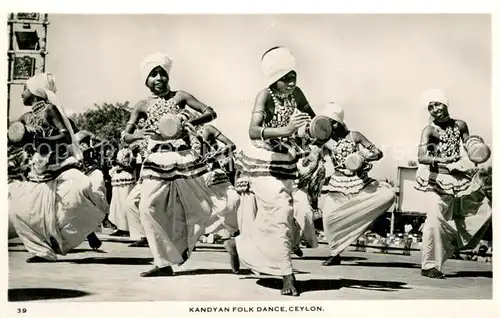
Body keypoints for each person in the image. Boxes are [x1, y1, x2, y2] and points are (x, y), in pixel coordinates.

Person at [122, 52, 226, 277]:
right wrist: (140, 133)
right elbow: (125, 137)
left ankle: (226, 235)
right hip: (156, 160)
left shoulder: (181, 96)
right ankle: (163, 262)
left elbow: (210, 113)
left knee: (202, 206)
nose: (159, 78)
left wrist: (188, 120)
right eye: (153, 74)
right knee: (147, 208)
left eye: (162, 73)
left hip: (184, 158)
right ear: (146, 80)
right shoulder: (141, 106)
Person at [225, 46, 316, 297]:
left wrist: (312, 134)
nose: (291, 82)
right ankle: (288, 274)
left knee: (282, 216)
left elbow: (314, 122)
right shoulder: (264, 95)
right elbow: (253, 131)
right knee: (281, 208)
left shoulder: (297, 93)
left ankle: (245, 246)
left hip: (286, 162)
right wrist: (287, 129)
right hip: (261, 161)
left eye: (293, 76)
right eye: (285, 77)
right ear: (273, 77)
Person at [8, 73, 106, 262]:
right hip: (38, 171)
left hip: (59, 166)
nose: (22, 94)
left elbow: (65, 137)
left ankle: (71, 237)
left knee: (76, 194)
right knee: (25, 210)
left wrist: (37, 139)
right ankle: (41, 250)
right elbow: (14, 138)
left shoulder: (49, 111)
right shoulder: (25, 117)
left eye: (25, 89)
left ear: (36, 91)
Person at [415, 89, 492, 279]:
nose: (435, 109)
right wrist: (444, 160)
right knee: (434, 219)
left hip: (458, 180)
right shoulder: (429, 130)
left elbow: (469, 146)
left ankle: (447, 250)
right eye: (430, 107)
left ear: (446, 104)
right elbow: (422, 157)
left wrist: (476, 147)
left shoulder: (460, 125)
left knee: (481, 209)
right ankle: (429, 265)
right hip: (435, 180)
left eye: (437, 104)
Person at [318, 102, 396, 266]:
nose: (328, 126)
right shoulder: (325, 140)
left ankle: (368, 222)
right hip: (337, 184)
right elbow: (313, 153)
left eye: (330, 122)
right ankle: (335, 252)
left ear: (337, 122)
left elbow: (378, 153)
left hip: (358, 182)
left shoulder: (355, 136)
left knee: (388, 195)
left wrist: (362, 156)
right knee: (328, 218)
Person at [193, 124, 240, 241]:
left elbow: (231, 145)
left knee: (234, 199)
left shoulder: (207, 129)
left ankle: (233, 230)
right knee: (200, 209)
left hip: (216, 175)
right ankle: (194, 236)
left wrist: (216, 155)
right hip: (197, 178)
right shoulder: (178, 134)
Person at [108, 147, 137, 237]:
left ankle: (127, 228)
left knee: (125, 203)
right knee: (117, 204)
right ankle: (120, 227)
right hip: (118, 178)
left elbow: (131, 167)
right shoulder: (119, 150)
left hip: (127, 179)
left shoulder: (132, 151)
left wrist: (117, 163)